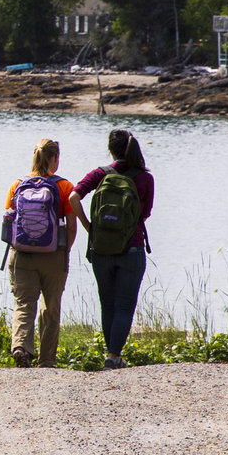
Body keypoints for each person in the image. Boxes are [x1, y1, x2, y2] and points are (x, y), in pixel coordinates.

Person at [75, 128, 155, 369]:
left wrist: (90, 228)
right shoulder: (144, 178)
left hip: (101, 250)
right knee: (124, 304)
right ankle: (113, 355)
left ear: (110, 149)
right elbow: (146, 213)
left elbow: (72, 197)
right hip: (132, 248)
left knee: (107, 303)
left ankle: (112, 356)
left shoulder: (101, 174)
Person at [2, 139, 78, 367]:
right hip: (54, 255)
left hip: (22, 254)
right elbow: (71, 226)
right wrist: (64, 251)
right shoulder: (64, 187)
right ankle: (46, 361)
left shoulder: (17, 185)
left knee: (24, 304)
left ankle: (21, 348)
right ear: (55, 158)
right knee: (50, 308)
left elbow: (8, 221)